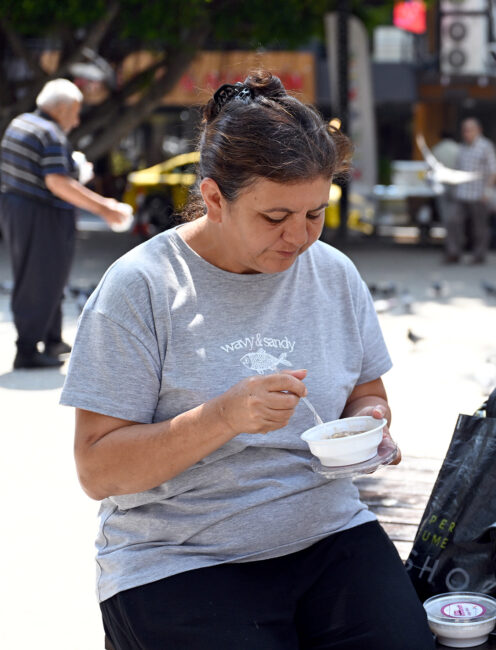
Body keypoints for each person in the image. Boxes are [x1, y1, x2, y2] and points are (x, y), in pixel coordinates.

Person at [59, 71, 435, 650]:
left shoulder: (333, 273)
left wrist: (371, 425)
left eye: (315, 213)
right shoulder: (142, 287)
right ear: (213, 197)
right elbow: (97, 469)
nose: (300, 238)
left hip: (328, 532)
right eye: (275, 217)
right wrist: (223, 417)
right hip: (178, 557)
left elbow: (367, 390)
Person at [0, 78, 130, 369]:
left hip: (17, 208)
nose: (77, 118)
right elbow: (57, 182)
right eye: (76, 110)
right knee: (41, 278)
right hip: (40, 212)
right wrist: (105, 208)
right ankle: (28, 350)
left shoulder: (21, 123)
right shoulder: (50, 134)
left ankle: (51, 337)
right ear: (61, 107)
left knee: (47, 276)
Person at [446, 117, 496, 264]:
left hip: (479, 194)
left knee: (479, 228)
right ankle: (454, 252)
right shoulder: (462, 148)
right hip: (462, 193)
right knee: (453, 221)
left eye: (470, 130)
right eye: (464, 130)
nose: (466, 133)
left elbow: (494, 171)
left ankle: (479, 255)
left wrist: (488, 191)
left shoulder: (486, 146)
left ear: (478, 130)